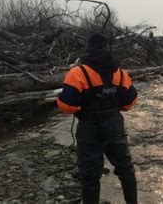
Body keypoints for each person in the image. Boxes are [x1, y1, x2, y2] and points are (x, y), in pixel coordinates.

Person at [56, 33, 138, 204]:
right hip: (115, 125)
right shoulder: (120, 73)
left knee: (90, 176)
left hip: (89, 128)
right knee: (125, 169)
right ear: (108, 49)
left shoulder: (77, 73)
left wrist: (60, 98)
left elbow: (67, 107)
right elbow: (129, 103)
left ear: (88, 50)